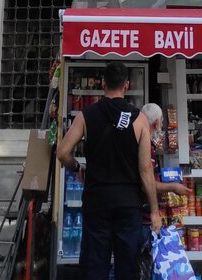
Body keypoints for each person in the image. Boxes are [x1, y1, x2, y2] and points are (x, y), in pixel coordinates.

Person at [57, 62, 161, 280]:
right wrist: (154, 210)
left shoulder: (86, 115)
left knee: (94, 266)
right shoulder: (140, 120)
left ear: (103, 83)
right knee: (127, 266)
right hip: (128, 203)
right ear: (127, 84)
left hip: (97, 201)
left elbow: (63, 152)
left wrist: (77, 167)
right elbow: (145, 169)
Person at [140, 103, 189, 234]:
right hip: (143, 217)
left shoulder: (144, 144)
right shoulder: (146, 148)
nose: (161, 124)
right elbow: (146, 183)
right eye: (161, 120)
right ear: (156, 123)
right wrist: (173, 187)